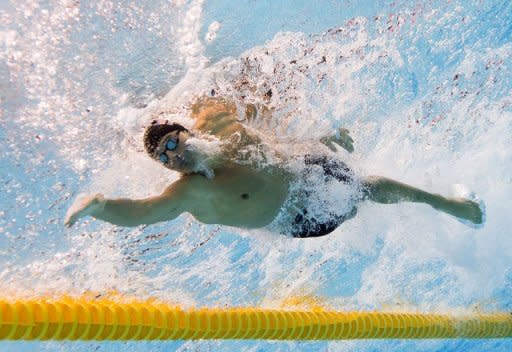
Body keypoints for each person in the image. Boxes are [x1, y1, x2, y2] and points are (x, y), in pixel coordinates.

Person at [64, 97, 484, 237]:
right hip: (299, 218)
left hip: (304, 168)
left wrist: (319, 134)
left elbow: (271, 124)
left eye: (173, 142)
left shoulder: (223, 129)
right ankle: (444, 205)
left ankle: (452, 206)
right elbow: (141, 212)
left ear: (187, 133)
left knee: (363, 184)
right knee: (359, 193)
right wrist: (99, 206)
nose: (172, 156)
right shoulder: (192, 191)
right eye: (163, 158)